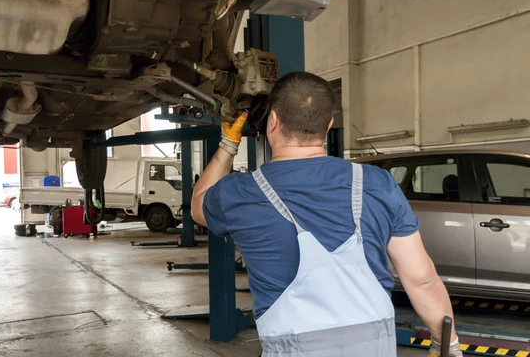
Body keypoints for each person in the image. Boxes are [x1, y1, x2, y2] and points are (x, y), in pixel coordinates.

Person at [191, 72, 462, 357]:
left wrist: (228, 145)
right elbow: (422, 279)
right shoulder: (377, 182)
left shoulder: (240, 192)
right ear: (329, 125)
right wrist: (449, 343)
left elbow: (198, 207)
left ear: (273, 121)